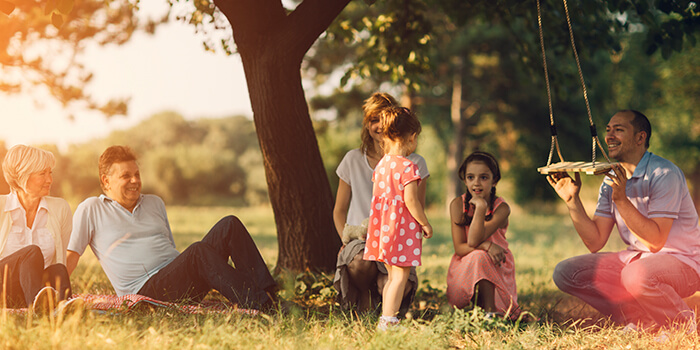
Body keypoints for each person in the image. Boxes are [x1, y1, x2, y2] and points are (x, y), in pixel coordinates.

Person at [66, 146, 277, 310]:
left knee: (229, 225)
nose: (135, 181)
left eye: (137, 174)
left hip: (179, 279)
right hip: (146, 292)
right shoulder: (91, 209)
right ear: (106, 181)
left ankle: (270, 295)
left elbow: (169, 248)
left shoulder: (154, 203)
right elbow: (72, 256)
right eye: (125, 176)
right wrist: (52, 295)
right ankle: (261, 304)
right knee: (197, 252)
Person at [548, 110, 700, 332]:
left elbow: (655, 242)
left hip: (683, 263)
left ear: (640, 137)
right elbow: (595, 241)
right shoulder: (612, 178)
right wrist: (572, 200)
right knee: (567, 272)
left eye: (618, 130)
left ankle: (682, 324)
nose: (609, 136)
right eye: (608, 130)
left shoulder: (664, 173)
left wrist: (621, 199)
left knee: (635, 274)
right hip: (636, 261)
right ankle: (640, 319)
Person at [332, 92, 430, 313]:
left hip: (393, 235)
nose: (379, 126)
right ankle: (377, 309)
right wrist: (346, 239)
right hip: (361, 237)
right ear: (367, 124)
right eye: (374, 120)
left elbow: (416, 205)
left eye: (383, 120)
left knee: (391, 281)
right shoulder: (353, 159)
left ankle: (381, 313)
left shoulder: (409, 163)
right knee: (364, 262)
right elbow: (339, 210)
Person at [362, 106, 433, 330]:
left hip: (384, 229)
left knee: (393, 277)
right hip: (401, 231)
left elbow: (377, 200)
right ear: (411, 137)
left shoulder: (382, 165)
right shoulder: (408, 167)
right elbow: (411, 201)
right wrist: (424, 223)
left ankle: (387, 316)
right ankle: (388, 320)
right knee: (400, 278)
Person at [0, 144, 74, 313]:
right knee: (32, 252)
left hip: (37, 288)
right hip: (2, 288)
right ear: (22, 176)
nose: (49, 180)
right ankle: (39, 309)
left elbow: (60, 257)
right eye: (42, 174)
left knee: (59, 269)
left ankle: (64, 307)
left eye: (50, 173)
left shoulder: (60, 208)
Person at [446, 151, 520, 318]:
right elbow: (460, 248)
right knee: (479, 255)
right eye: (471, 177)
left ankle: (490, 312)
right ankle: (476, 302)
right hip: (464, 264)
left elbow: (473, 240)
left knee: (481, 257)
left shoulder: (501, 208)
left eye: (484, 178)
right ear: (464, 180)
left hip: (497, 264)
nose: (476, 183)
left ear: (494, 181)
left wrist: (480, 207)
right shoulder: (458, 205)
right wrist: (487, 245)